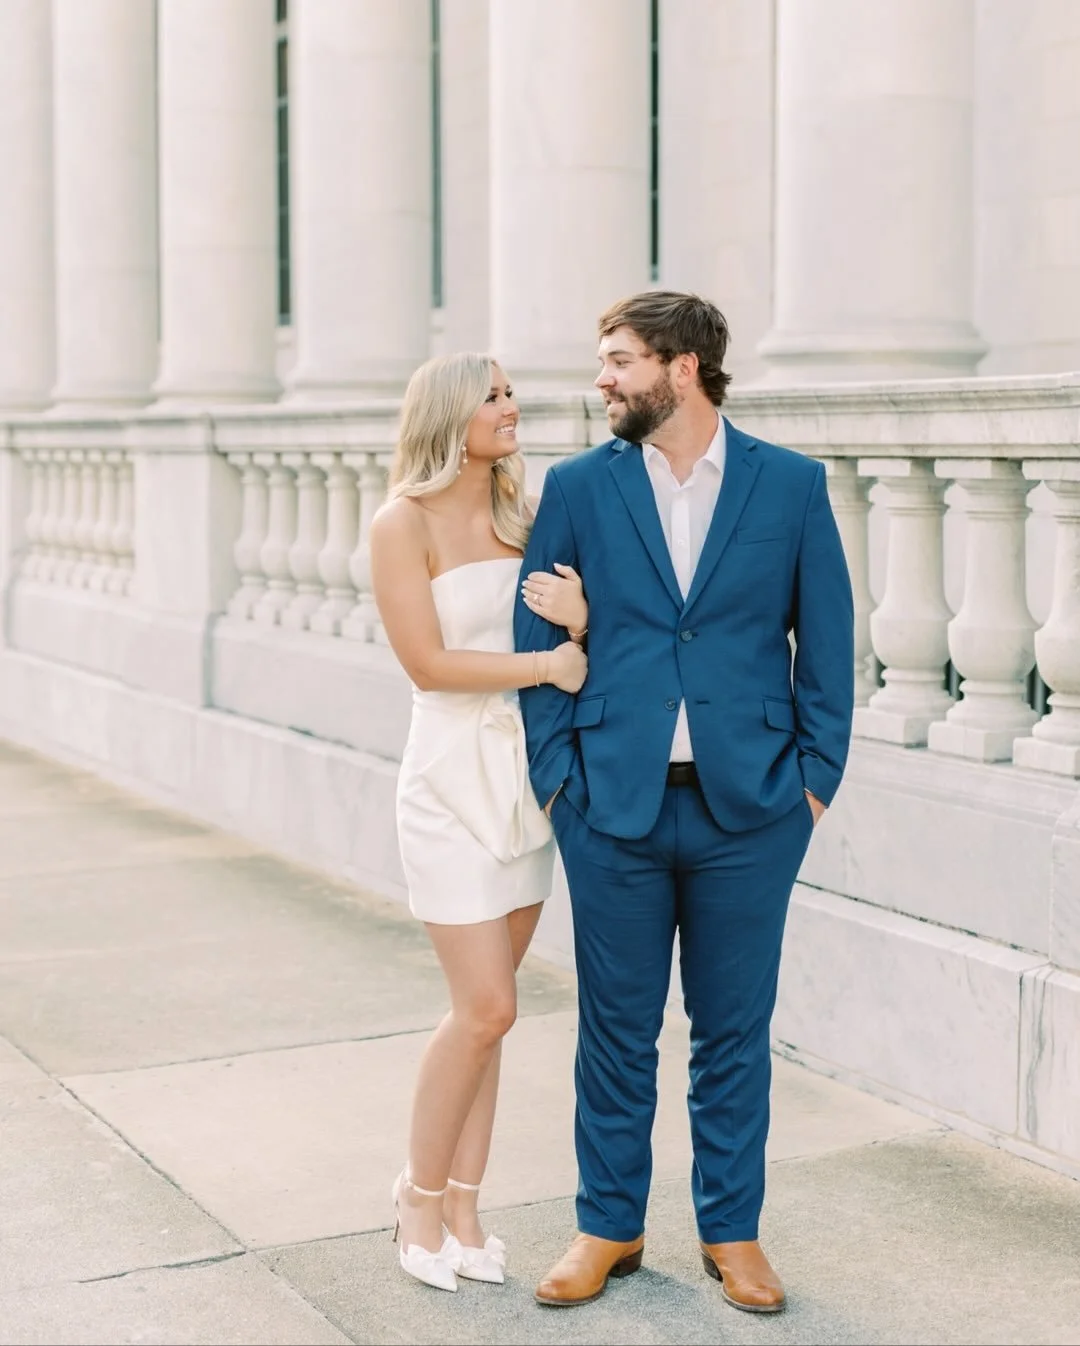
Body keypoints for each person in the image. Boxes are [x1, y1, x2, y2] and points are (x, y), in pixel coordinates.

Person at [514, 291, 855, 1313]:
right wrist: (558, 782)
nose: (602, 378)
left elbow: (828, 649)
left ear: (684, 367)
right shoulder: (577, 487)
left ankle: (731, 1229)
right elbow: (538, 645)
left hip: (751, 810)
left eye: (619, 358)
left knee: (733, 1029)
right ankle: (607, 1222)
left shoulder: (790, 487)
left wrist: (813, 787)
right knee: (613, 1027)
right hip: (608, 801)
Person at [369, 352, 590, 1293]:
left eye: (510, 394)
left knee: (493, 1019)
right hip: (450, 782)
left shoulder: (525, 517)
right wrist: (548, 667)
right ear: (449, 415)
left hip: (525, 785)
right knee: (484, 1006)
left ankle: (465, 1203)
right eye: (492, 397)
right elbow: (426, 663)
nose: (510, 408)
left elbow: (586, 631)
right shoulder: (400, 523)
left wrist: (579, 620)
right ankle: (416, 1200)